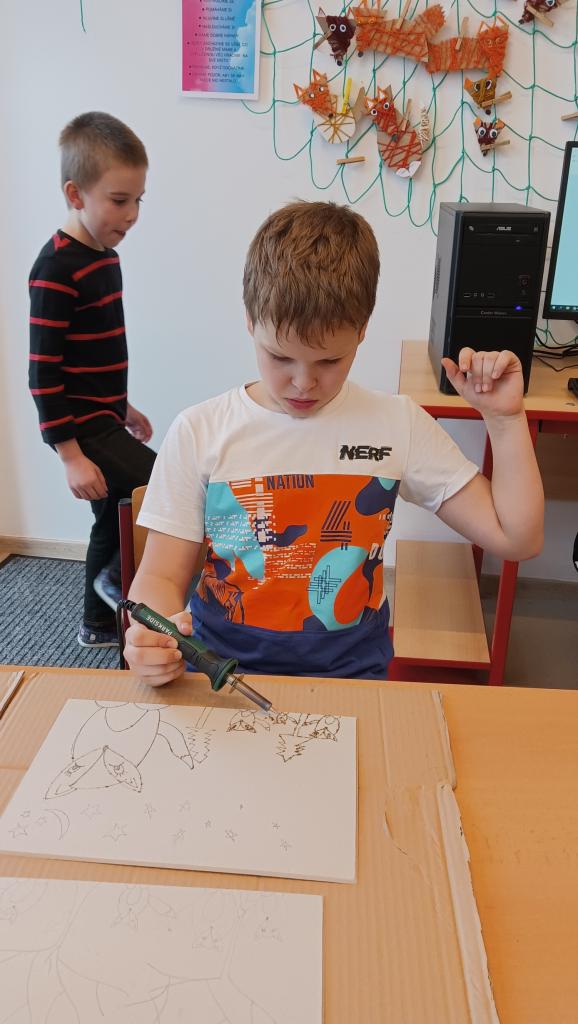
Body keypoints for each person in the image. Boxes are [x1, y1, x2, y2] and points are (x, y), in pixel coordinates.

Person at [124, 200, 543, 684]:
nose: (303, 383)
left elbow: (517, 538)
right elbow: (160, 578)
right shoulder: (201, 430)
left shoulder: (396, 423)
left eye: (329, 361)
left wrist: (505, 419)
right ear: (250, 320)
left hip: (350, 674)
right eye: (280, 357)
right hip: (218, 669)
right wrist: (151, 639)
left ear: (362, 331)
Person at [28, 112, 156, 648]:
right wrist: (70, 456)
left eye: (138, 200)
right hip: (81, 429)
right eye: (119, 200)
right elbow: (43, 373)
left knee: (113, 515)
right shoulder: (55, 269)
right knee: (160, 485)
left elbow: (98, 350)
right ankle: (113, 587)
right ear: (75, 194)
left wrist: (124, 407)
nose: (132, 214)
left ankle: (97, 623)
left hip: (105, 417)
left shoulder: (105, 258)